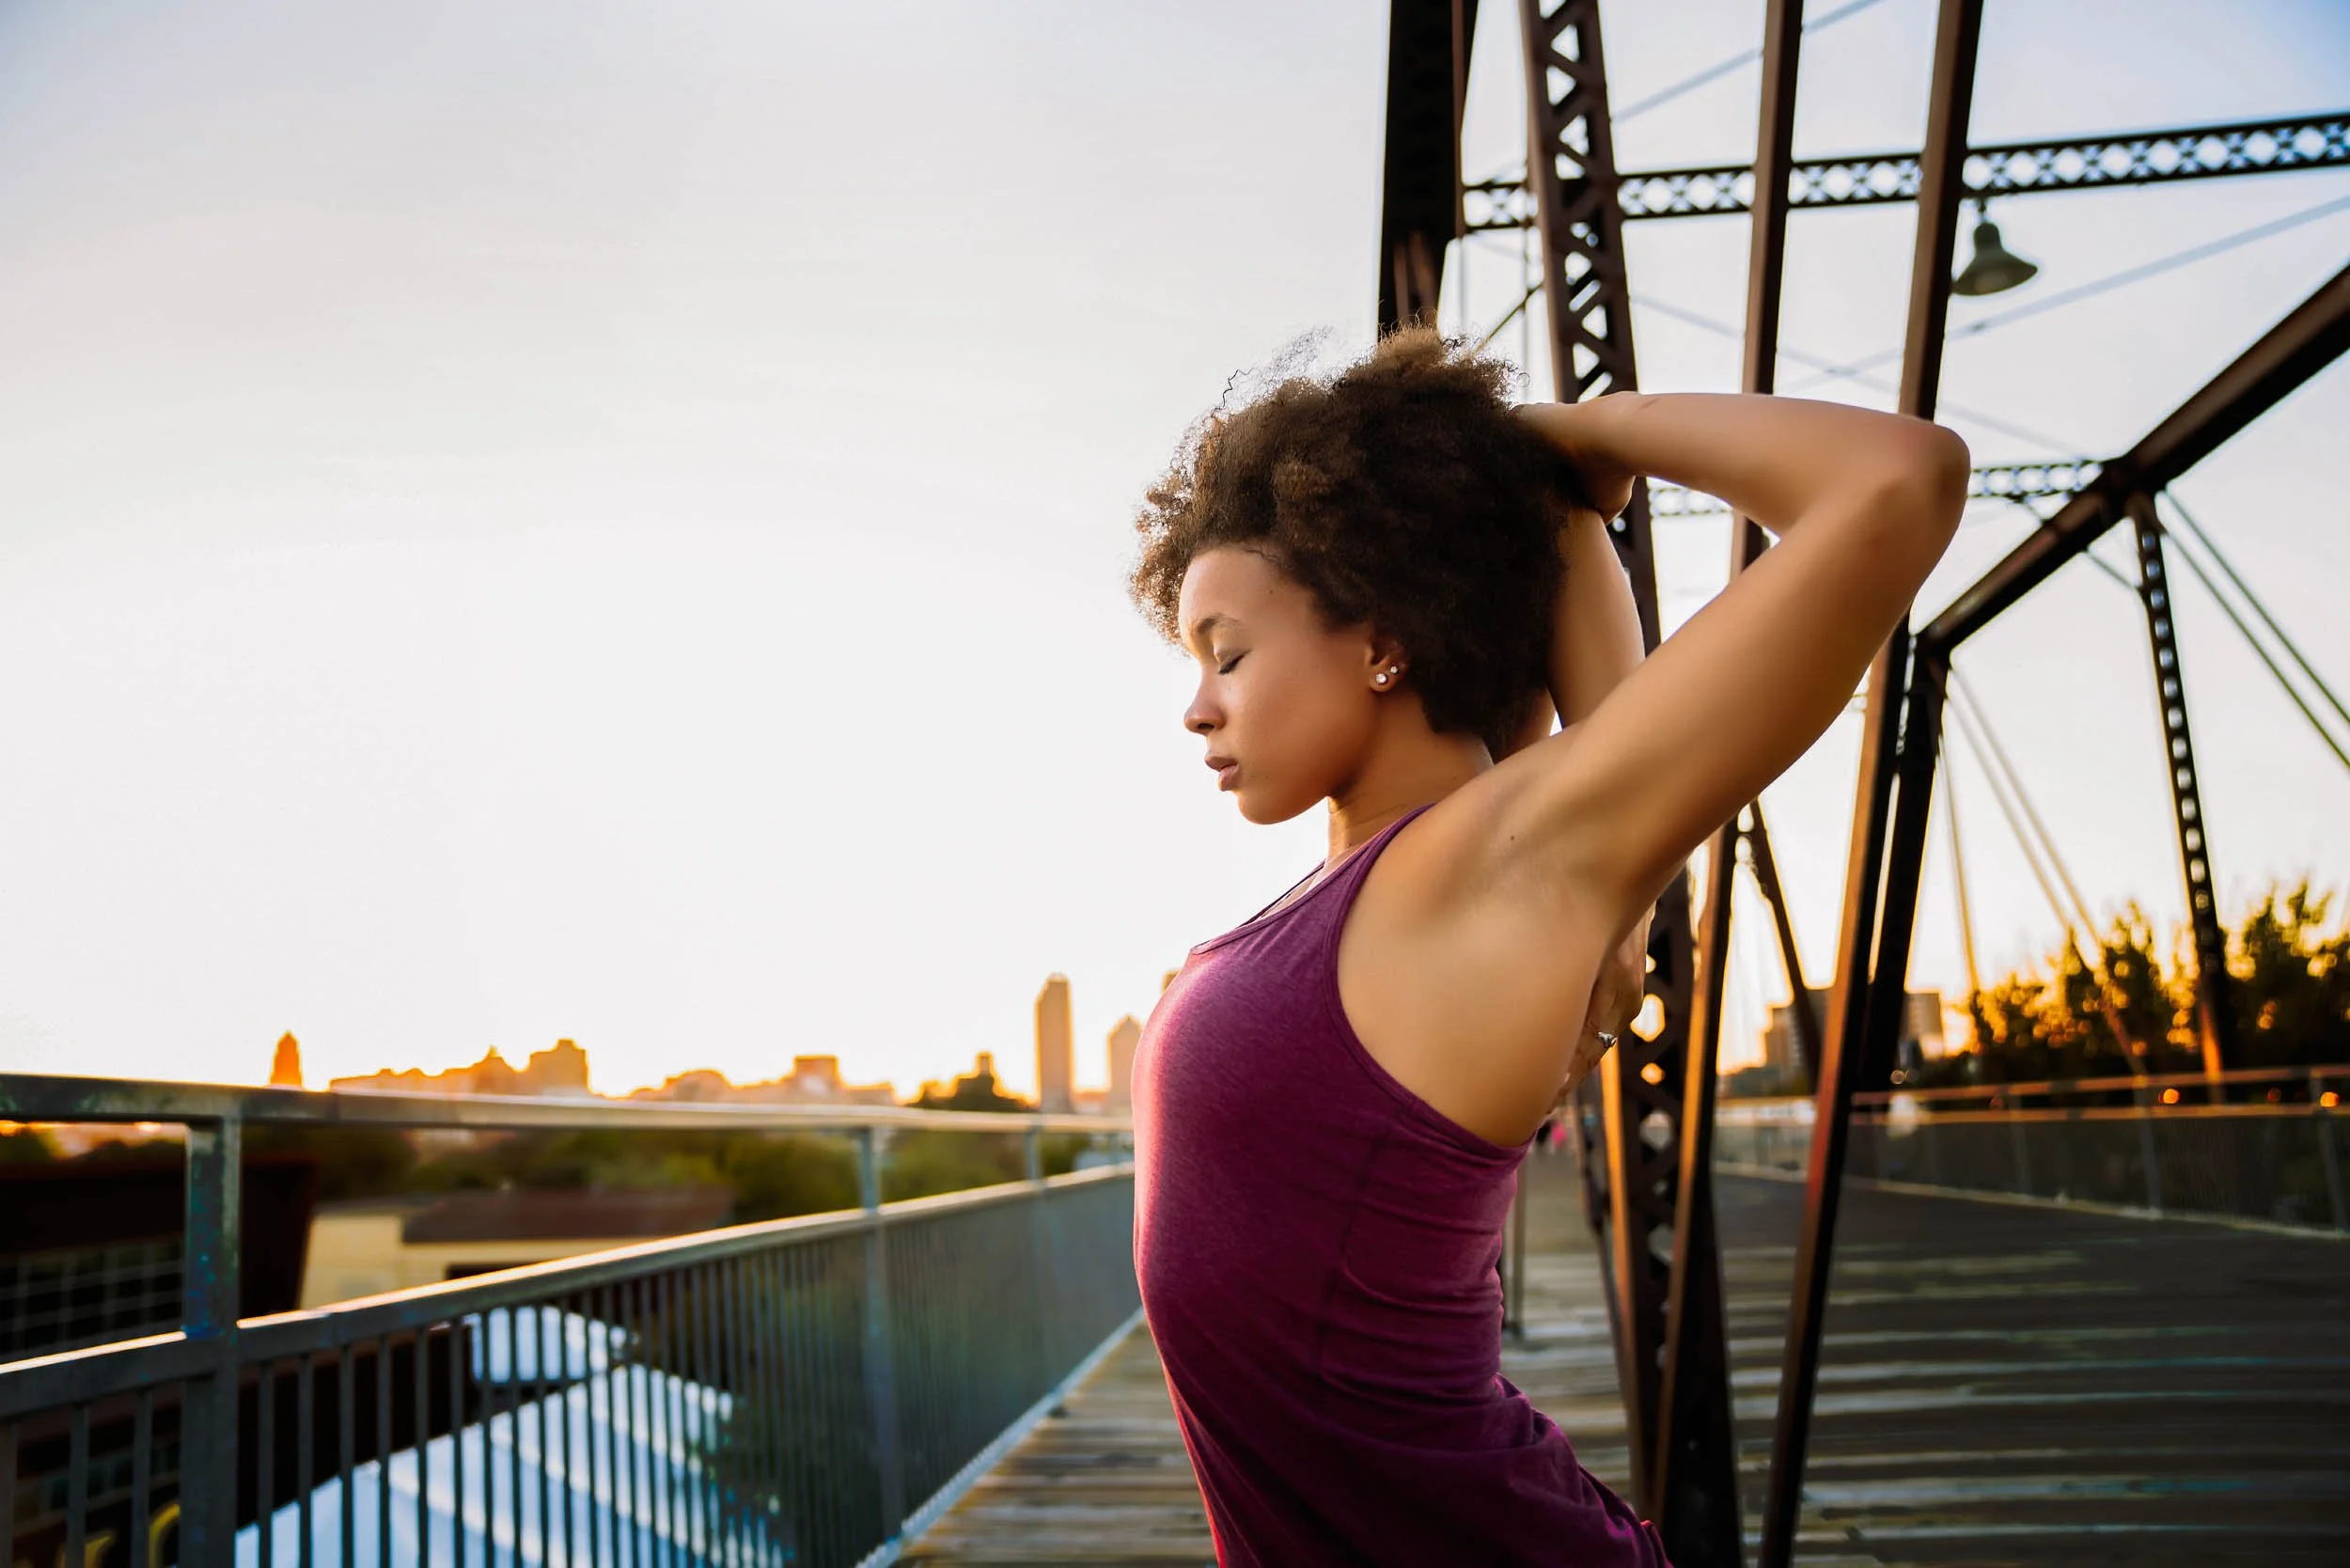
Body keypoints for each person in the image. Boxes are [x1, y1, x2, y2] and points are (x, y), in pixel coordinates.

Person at [1123, 327, 1967, 1566]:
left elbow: (1898, 483)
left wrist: (1583, 437)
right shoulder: (1402, 883)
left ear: (1378, 639)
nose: (1196, 704)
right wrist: (1539, 501)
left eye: (1229, 652)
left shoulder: (1489, 869)